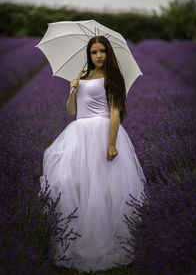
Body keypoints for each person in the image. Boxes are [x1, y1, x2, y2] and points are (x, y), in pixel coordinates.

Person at [39, 35, 147, 272]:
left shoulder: (113, 77)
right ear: (88, 54)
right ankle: (78, 243)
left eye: (102, 51)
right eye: (94, 52)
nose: (98, 55)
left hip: (101, 132)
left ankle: (104, 247)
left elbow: (116, 112)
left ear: (108, 54)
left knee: (101, 191)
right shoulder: (83, 76)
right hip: (78, 134)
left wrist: (111, 143)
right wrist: (72, 90)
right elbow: (71, 111)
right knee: (74, 186)